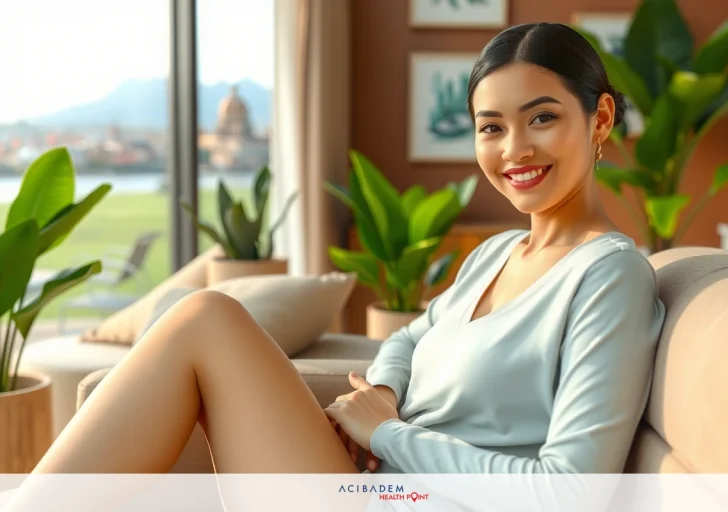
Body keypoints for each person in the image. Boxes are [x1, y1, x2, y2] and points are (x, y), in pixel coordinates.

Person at [22, 22, 666, 478]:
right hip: (372, 481)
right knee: (203, 316)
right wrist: (382, 392)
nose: (514, 150)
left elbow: (567, 492)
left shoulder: (610, 278)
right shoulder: (496, 253)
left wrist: (386, 433)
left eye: (543, 117)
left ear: (601, 119)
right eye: (491, 128)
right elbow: (409, 340)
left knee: (204, 318)